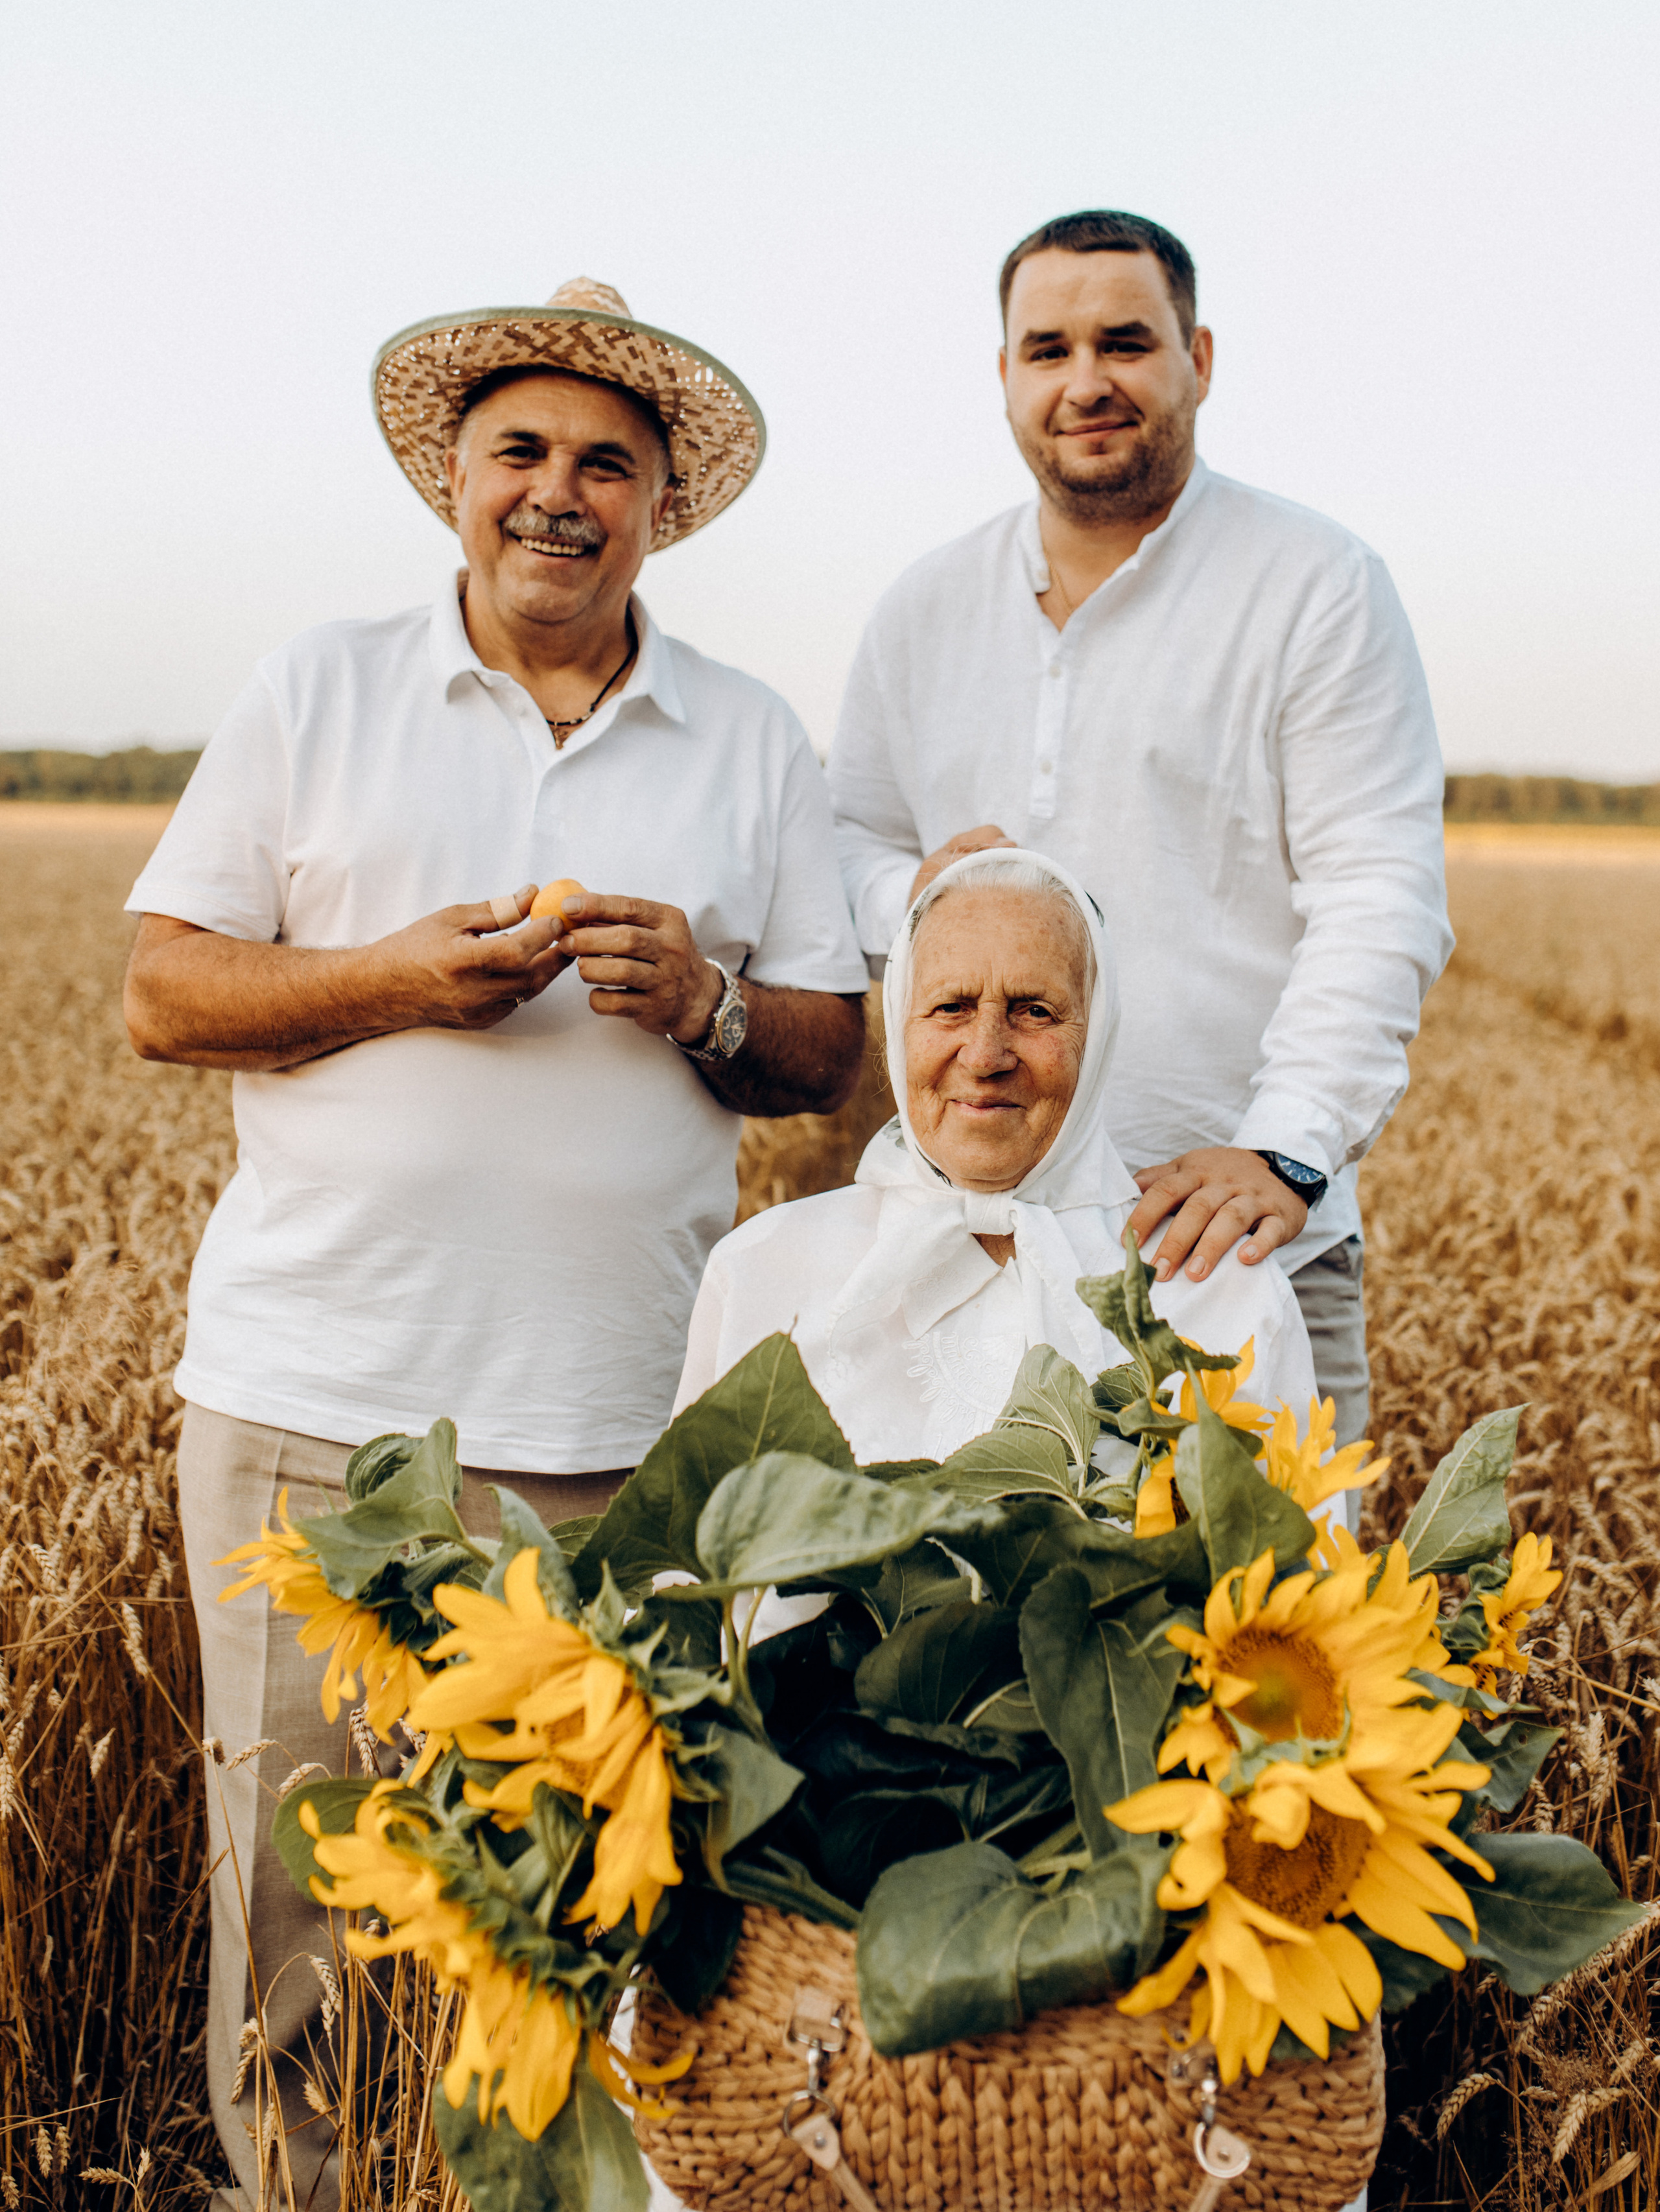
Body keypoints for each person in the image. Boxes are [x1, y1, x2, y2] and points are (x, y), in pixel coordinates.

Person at [123, 276, 869, 2211]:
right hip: (313, 1413)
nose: (558, 492)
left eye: (602, 463)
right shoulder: (319, 688)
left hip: (626, 1435)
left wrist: (703, 995)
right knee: (308, 1917)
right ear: (452, 477)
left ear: (660, 506)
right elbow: (161, 991)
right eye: (520, 452)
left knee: (591, 1920)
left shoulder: (751, 736)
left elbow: (826, 1048)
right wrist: (394, 980)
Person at [828, 209, 1453, 1451]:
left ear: (1199, 358)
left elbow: (1379, 889)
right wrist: (911, 892)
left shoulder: (1315, 584)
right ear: (1004, 375)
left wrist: (1286, 1153)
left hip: (1227, 1252)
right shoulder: (922, 607)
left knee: (1275, 1627)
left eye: (1125, 342)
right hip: (958, 1251)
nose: (1086, 381)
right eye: (1047, 349)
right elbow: (847, 839)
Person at [677, 848, 1319, 1461]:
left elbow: (1297, 1561)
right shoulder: (760, 1273)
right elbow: (693, 1565)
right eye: (949, 1008)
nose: (986, 1055)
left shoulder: (1225, 1294)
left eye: (1034, 1011)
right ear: (901, 1029)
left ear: (1096, 1037)